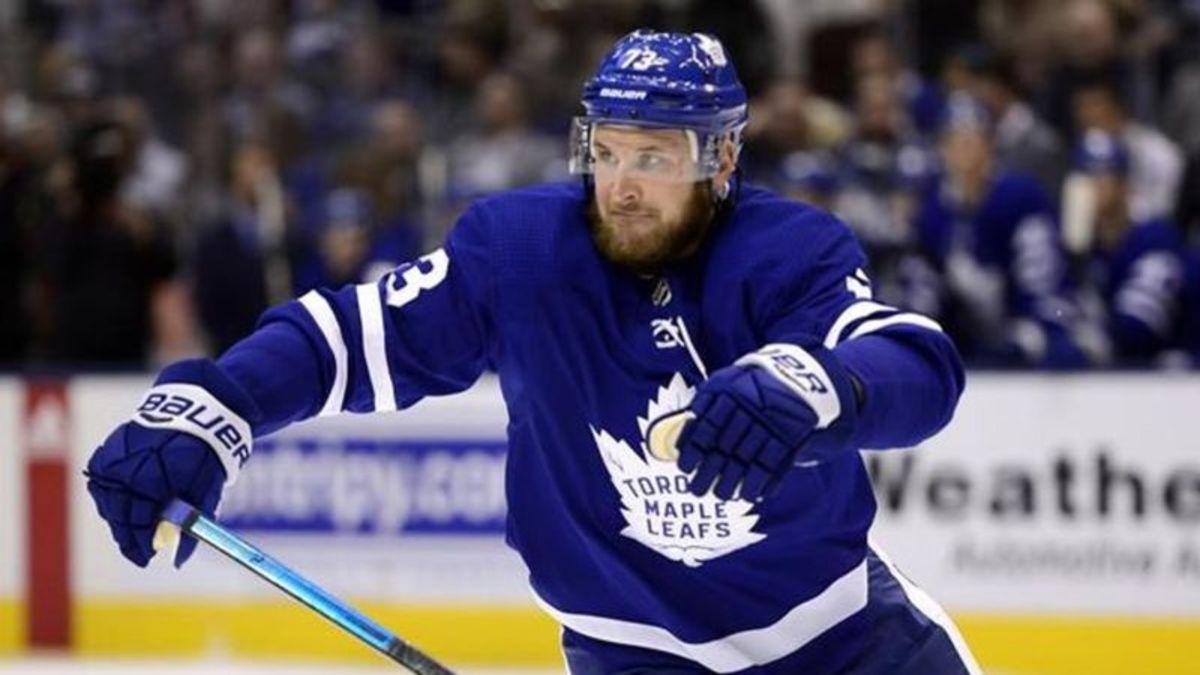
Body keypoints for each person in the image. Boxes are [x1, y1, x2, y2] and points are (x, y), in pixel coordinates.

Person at [84, 31, 980, 674]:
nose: (622, 187)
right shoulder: (520, 250)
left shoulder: (787, 250)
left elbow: (914, 363)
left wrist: (817, 382)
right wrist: (217, 407)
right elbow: (346, 339)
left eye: (656, 158)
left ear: (722, 160)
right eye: (608, 152)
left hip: (848, 648)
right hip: (626, 655)